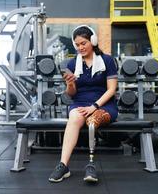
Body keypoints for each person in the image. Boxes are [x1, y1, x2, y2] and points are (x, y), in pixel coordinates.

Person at [49, 25, 118, 183]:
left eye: (83, 43)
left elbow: (111, 90)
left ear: (92, 41)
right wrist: (70, 84)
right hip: (80, 102)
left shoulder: (107, 60)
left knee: (92, 121)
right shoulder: (73, 64)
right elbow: (71, 94)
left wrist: (94, 106)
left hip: (104, 103)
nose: (80, 47)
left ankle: (91, 165)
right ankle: (63, 165)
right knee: (74, 118)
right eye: (77, 44)